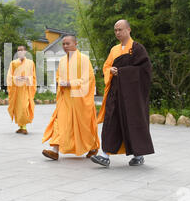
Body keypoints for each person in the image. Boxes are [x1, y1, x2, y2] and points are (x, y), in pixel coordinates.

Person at [91, 20, 154, 168]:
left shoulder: (137, 48)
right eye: (115, 30)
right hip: (116, 92)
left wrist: (123, 72)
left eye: (120, 29)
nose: (117, 33)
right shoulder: (114, 50)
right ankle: (105, 155)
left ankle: (138, 155)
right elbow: (106, 67)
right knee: (111, 121)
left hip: (132, 96)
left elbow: (145, 71)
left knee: (133, 122)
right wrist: (110, 71)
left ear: (129, 30)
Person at [41, 35, 100, 160]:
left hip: (80, 100)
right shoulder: (62, 61)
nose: (65, 46)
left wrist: (70, 83)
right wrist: (60, 82)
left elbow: (88, 79)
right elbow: (58, 77)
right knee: (59, 122)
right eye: (63, 44)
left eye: (68, 44)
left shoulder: (83, 59)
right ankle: (55, 150)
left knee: (83, 125)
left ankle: (92, 147)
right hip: (66, 98)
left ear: (75, 44)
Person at [6, 45, 36, 135]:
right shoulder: (13, 63)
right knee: (18, 109)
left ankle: (24, 127)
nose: (20, 52)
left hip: (26, 89)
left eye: (22, 50)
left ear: (25, 52)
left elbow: (33, 77)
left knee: (24, 107)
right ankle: (21, 126)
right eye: (18, 50)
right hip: (17, 90)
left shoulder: (30, 63)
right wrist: (16, 78)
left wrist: (27, 78)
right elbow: (9, 76)